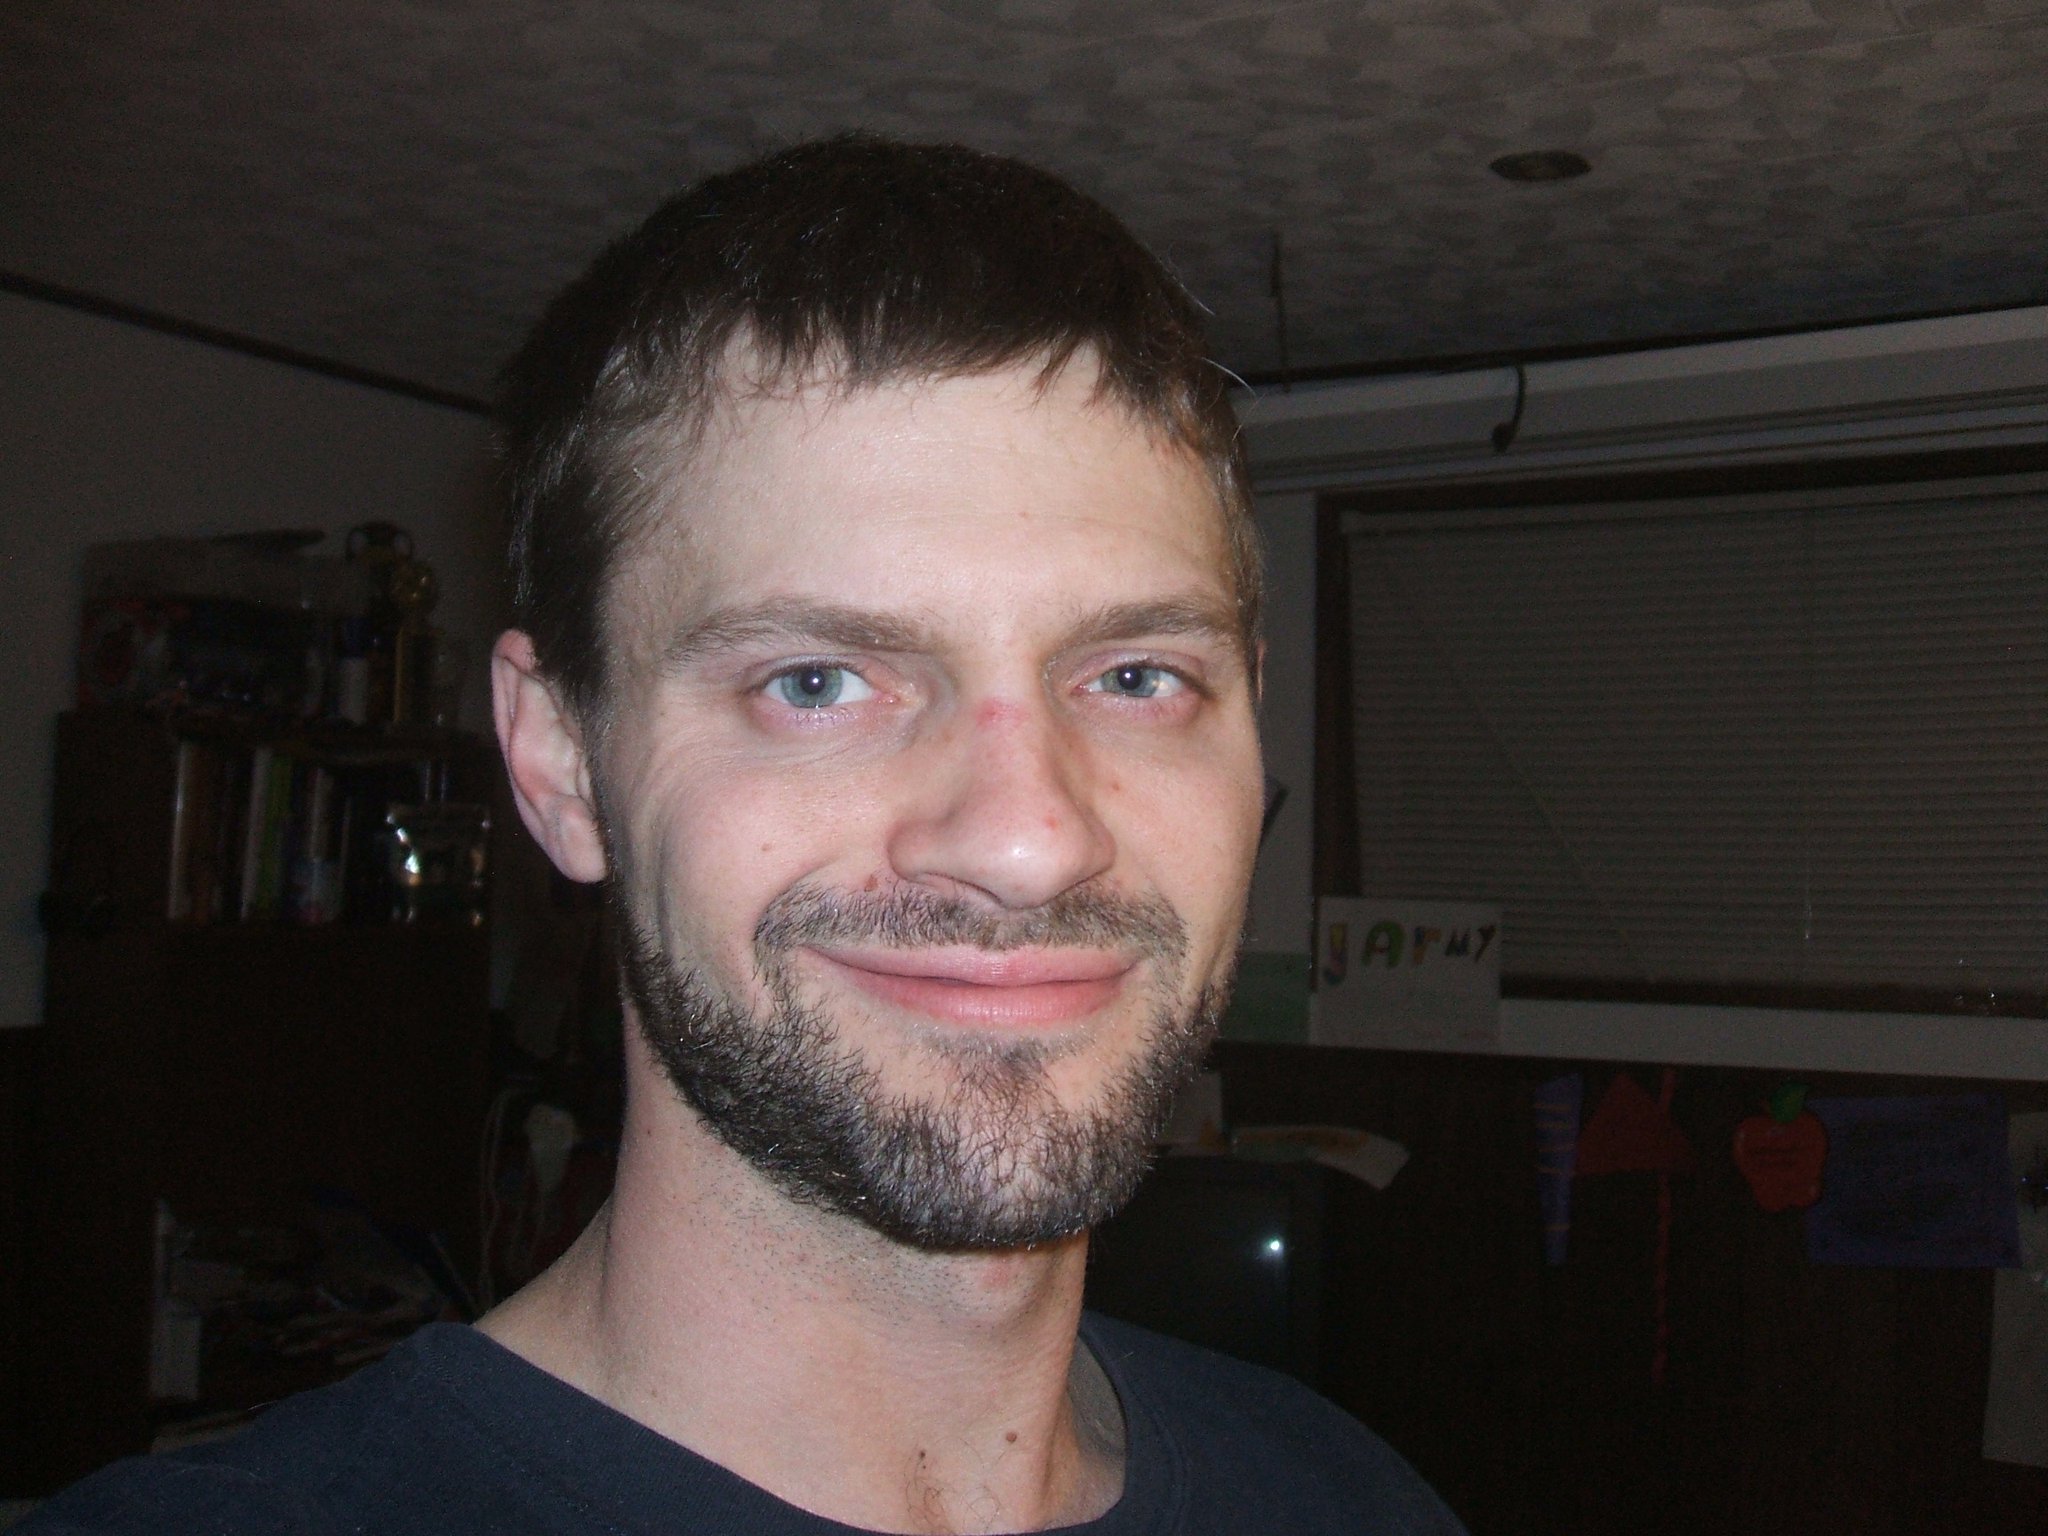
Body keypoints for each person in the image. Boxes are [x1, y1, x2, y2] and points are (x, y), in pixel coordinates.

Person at [22, 136, 1464, 1535]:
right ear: (559, 763)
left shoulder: (1351, 1500)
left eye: (1137, 677)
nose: (1028, 844)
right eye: (817, 683)